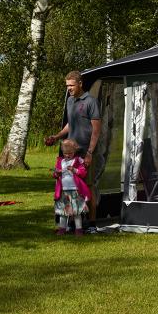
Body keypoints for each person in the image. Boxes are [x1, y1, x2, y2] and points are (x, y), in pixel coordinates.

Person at [45, 71, 102, 232]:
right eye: (67, 86)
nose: (68, 88)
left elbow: (96, 130)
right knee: (69, 187)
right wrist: (56, 137)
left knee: (87, 187)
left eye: (71, 85)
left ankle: (92, 224)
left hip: (86, 151)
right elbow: (70, 124)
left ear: (80, 84)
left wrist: (90, 152)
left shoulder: (91, 101)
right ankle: (72, 223)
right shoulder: (70, 101)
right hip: (70, 152)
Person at [53, 139, 92, 235]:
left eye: (70, 153)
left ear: (74, 151)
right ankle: (62, 228)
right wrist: (57, 173)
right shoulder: (60, 161)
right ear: (62, 152)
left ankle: (79, 229)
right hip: (63, 191)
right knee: (63, 211)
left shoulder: (77, 160)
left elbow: (83, 173)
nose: (67, 155)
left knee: (76, 211)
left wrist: (74, 170)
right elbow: (55, 174)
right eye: (65, 153)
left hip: (75, 190)